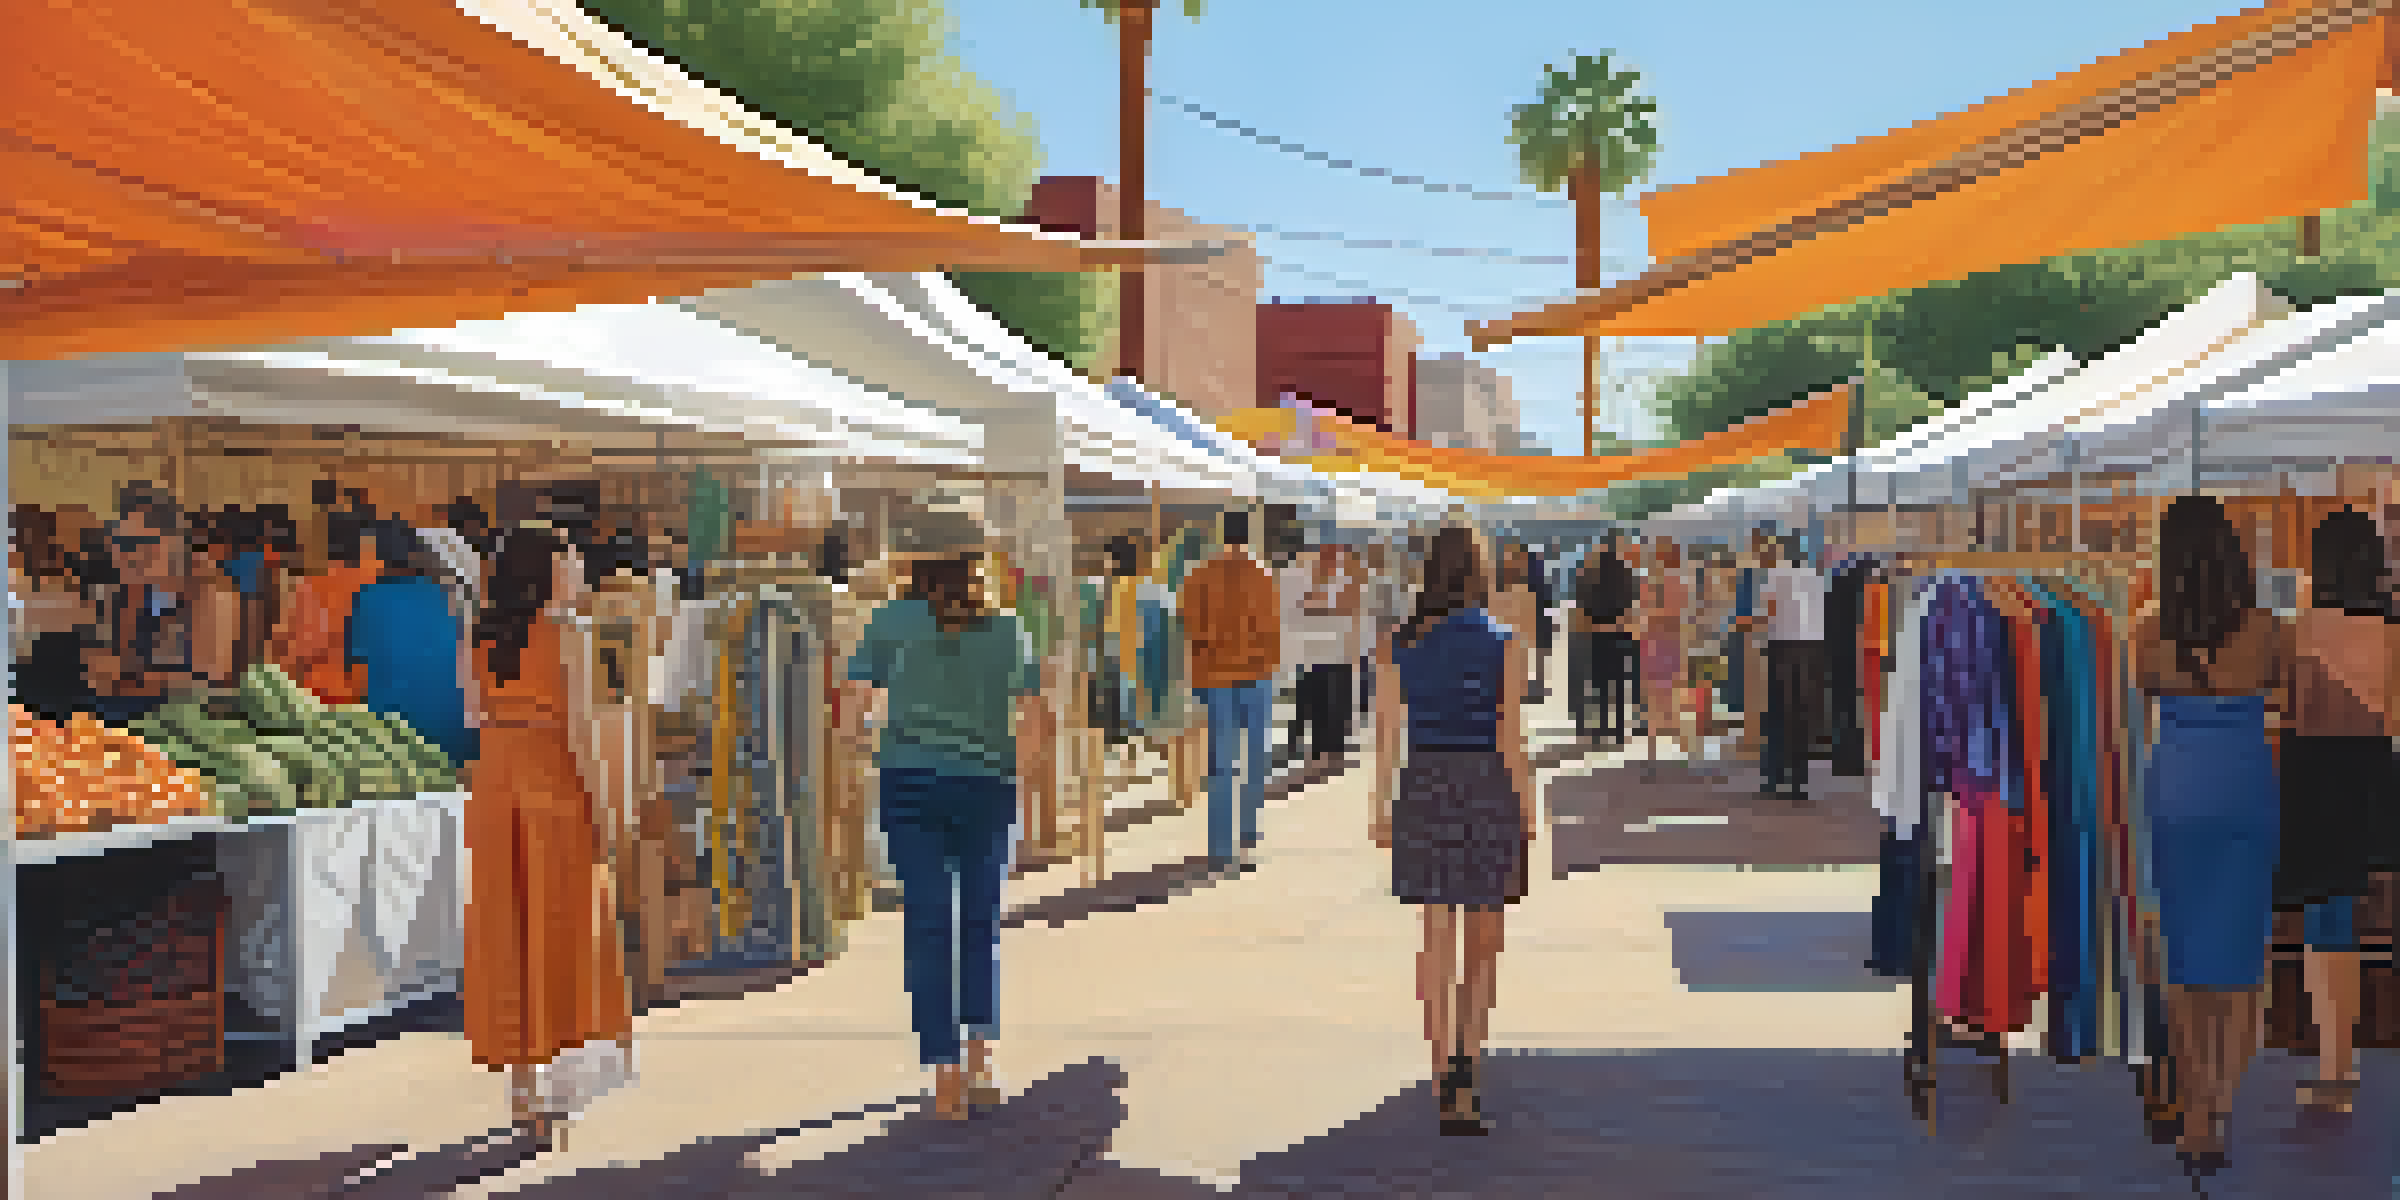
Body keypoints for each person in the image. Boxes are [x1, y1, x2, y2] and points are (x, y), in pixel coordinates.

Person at [843, 552, 1039, 1120]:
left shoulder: (890, 621)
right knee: (980, 922)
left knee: (929, 924)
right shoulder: (1007, 628)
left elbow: (852, 711)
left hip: (910, 783)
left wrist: (870, 742)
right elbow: (1031, 716)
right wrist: (1019, 781)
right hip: (987, 785)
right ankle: (980, 1058)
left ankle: (944, 1073)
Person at [463, 524, 634, 1150]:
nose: (579, 572)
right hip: (553, 789)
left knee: (507, 933)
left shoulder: (481, 635)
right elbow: (583, 732)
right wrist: (606, 809)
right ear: (549, 571)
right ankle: (555, 1083)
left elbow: (475, 713)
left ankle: (521, 1085)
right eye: (570, 562)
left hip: (496, 786)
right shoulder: (569, 634)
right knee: (562, 932)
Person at [2135, 495, 2290, 1176]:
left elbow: (2137, 696)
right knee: (2241, 963)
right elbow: (2282, 694)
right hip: (2245, 787)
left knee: (2184, 959)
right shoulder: (2268, 629)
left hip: (2177, 789)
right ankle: (2223, 1101)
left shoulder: (2147, 632)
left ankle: (2195, 1106)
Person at [1370, 525, 1533, 1137]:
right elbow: (1510, 738)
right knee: (1483, 939)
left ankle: (1441, 1069)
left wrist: (1380, 806)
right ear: (1479, 572)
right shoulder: (1504, 641)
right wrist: (1527, 807)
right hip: (1487, 782)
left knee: (1435, 933)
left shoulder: (1400, 643)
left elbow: (1386, 734)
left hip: (1425, 780)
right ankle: (1468, 1065)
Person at [2275, 507, 2398, 1115]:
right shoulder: (2392, 632)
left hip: (2313, 775)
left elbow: (2286, 710)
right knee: (2376, 917)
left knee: (2327, 926)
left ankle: (2335, 1069)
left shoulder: (2298, 629)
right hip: (2373, 771)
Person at [1183, 510, 1281, 869]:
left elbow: (1188, 625)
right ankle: (1248, 830)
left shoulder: (1199, 575)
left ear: (1221, 535)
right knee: (1256, 758)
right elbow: (1273, 629)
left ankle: (1221, 844)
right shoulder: (1264, 575)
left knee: (1222, 762)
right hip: (1257, 674)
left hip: (1215, 676)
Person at [348, 521, 476, 768]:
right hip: (455, 736)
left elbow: (358, 671)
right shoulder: (446, 595)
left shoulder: (369, 598)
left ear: (379, 557)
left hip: (398, 739)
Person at [1759, 537, 1829, 800]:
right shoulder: (1815, 578)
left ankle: (1775, 777)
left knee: (1778, 713)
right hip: (1811, 651)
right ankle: (1800, 781)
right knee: (1802, 716)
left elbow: (1768, 614)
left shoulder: (1775, 576)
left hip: (1782, 648)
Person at [1293, 543, 1363, 766]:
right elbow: (1302, 609)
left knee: (1337, 702)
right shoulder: (1309, 579)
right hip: (1315, 653)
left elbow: (1351, 611)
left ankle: (1334, 750)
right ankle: (1319, 751)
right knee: (1318, 703)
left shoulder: (1347, 581)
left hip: (1338, 653)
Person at [1570, 539, 1639, 744]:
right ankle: (1618, 730)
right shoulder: (1625, 575)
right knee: (1618, 684)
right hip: (1621, 635)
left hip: (1598, 637)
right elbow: (1632, 604)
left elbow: (1583, 606)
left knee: (1600, 685)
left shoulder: (1590, 577)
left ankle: (1601, 729)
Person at [1639, 538, 1689, 766]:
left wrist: (1652, 619)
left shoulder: (1660, 583)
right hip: (1662, 643)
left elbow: (1664, 615)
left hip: (1660, 643)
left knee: (1662, 698)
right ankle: (1667, 749)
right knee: (1666, 697)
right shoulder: (1667, 582)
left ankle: (1659, 751)